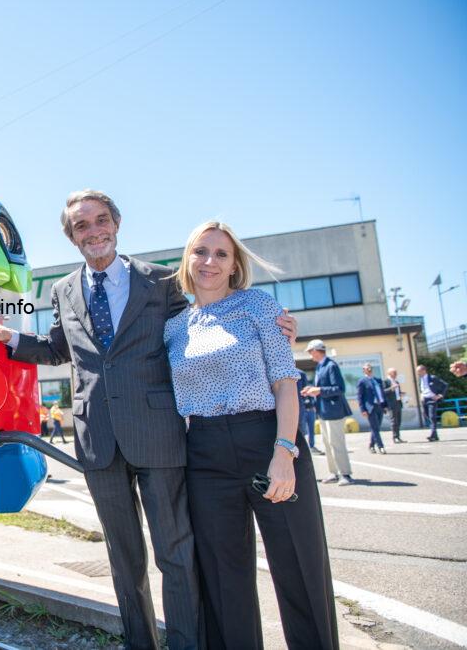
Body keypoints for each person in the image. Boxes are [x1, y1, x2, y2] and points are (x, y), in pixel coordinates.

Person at [0, 189, 297, 650]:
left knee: (176, 555)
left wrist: (268, 322)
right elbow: (58, 349)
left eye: (101, 220)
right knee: (124, 560)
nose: (94, 231)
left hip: (158, 436)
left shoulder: (162, 282)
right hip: (97, 440)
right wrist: (10, 339)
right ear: (72, 237)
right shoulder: (63, 290)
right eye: (82, 226)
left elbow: (209, 316)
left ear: (116, 224)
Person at [164, 220, 338, 650]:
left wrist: (284, 453)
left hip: (265, 440)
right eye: (201, 251)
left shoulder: (260, 306)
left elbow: (284, 383)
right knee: (225, 578)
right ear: (186, 258)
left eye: (222, 254)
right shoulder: (172, 327)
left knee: (299, 565)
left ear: (235, 264)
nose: (210, 261)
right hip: (203, 453)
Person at [301, 340, 354, 486]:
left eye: (310, 351)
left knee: (336, 443)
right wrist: (312, 389)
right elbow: (326, 387)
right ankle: (334, 473)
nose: (310, 354)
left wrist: (319, 390)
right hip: (324, 411)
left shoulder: (331, 365)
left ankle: (345, 474)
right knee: (328, 443)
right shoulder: (320, 366)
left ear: (317, 350)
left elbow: (339, 388)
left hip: (334, 411)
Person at [357, 363, 388, 454]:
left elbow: (382, 394)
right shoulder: (362, 381)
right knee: (375, 427)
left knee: (376, 427)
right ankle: (381, 447)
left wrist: (385, 405)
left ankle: (371, 445)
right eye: (367, 368)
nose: (369, 369)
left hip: (380, 406)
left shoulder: (378, 380)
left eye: (370, 367)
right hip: (370, 407)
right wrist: (363, 409)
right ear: (364, 370)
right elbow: (360, 397)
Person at [418, 364, 448, 442]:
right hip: (425, 400)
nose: (418, 373)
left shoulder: (432, 378)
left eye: (419, 371)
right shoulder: (420, 379)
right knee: (427, 416)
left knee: (432, 417)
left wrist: (440, 395)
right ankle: (435, 435)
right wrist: (421, 395)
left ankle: (433, 435)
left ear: (424, 371)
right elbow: (422, 389)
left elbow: (445, 385)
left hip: (432, 400)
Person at [297, 370, 323, 454]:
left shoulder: (301, 374)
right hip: (299, 409)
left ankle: (311, 446)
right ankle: (302, 448)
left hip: (309, 408)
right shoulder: (289, 373)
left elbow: (307, 391)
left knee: (310, 429)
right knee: (301, 430)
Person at [383, 368, 405, 443]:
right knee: (393, 421)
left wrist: (401, 393)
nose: (396, 374)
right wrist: (391, 388)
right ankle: (395, 437)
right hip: (391, 404)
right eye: (394, 372)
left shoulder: (396, 382)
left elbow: (397, 392)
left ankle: (398, 437)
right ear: (389, 373)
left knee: (399, 420)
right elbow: (383, 392)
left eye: (396, 372)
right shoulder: (386, 382)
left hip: (398, 402)